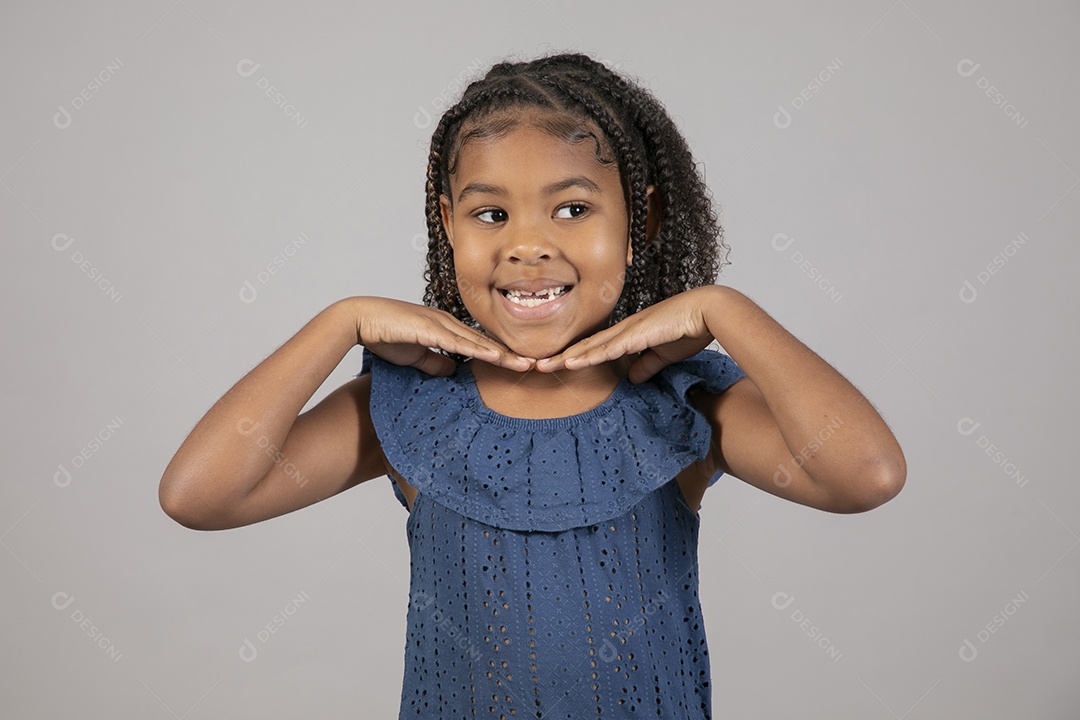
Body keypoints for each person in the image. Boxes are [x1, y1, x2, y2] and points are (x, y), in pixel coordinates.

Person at [159, 52, 905, 718]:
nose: (527, 245)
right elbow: (199, 495)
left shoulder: (678, 403)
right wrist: (338, 323)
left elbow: (865, 473)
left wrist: (725, 310)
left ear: (641, 220)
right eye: (491, 214)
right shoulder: (416, 408)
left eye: (573, 209)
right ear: (449, 226)